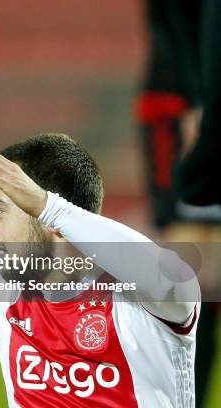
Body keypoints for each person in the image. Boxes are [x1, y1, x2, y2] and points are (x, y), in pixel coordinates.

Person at [0, 34, 200, 407]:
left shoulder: (140, 299)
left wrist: (50, 206)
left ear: (47, 215)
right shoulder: (1, 283)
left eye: (0, 209)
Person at [136, 2, 221, 405]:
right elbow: (171, 21)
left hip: (195, 104)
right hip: (182, 105)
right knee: (188, 275)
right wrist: (197, 102)